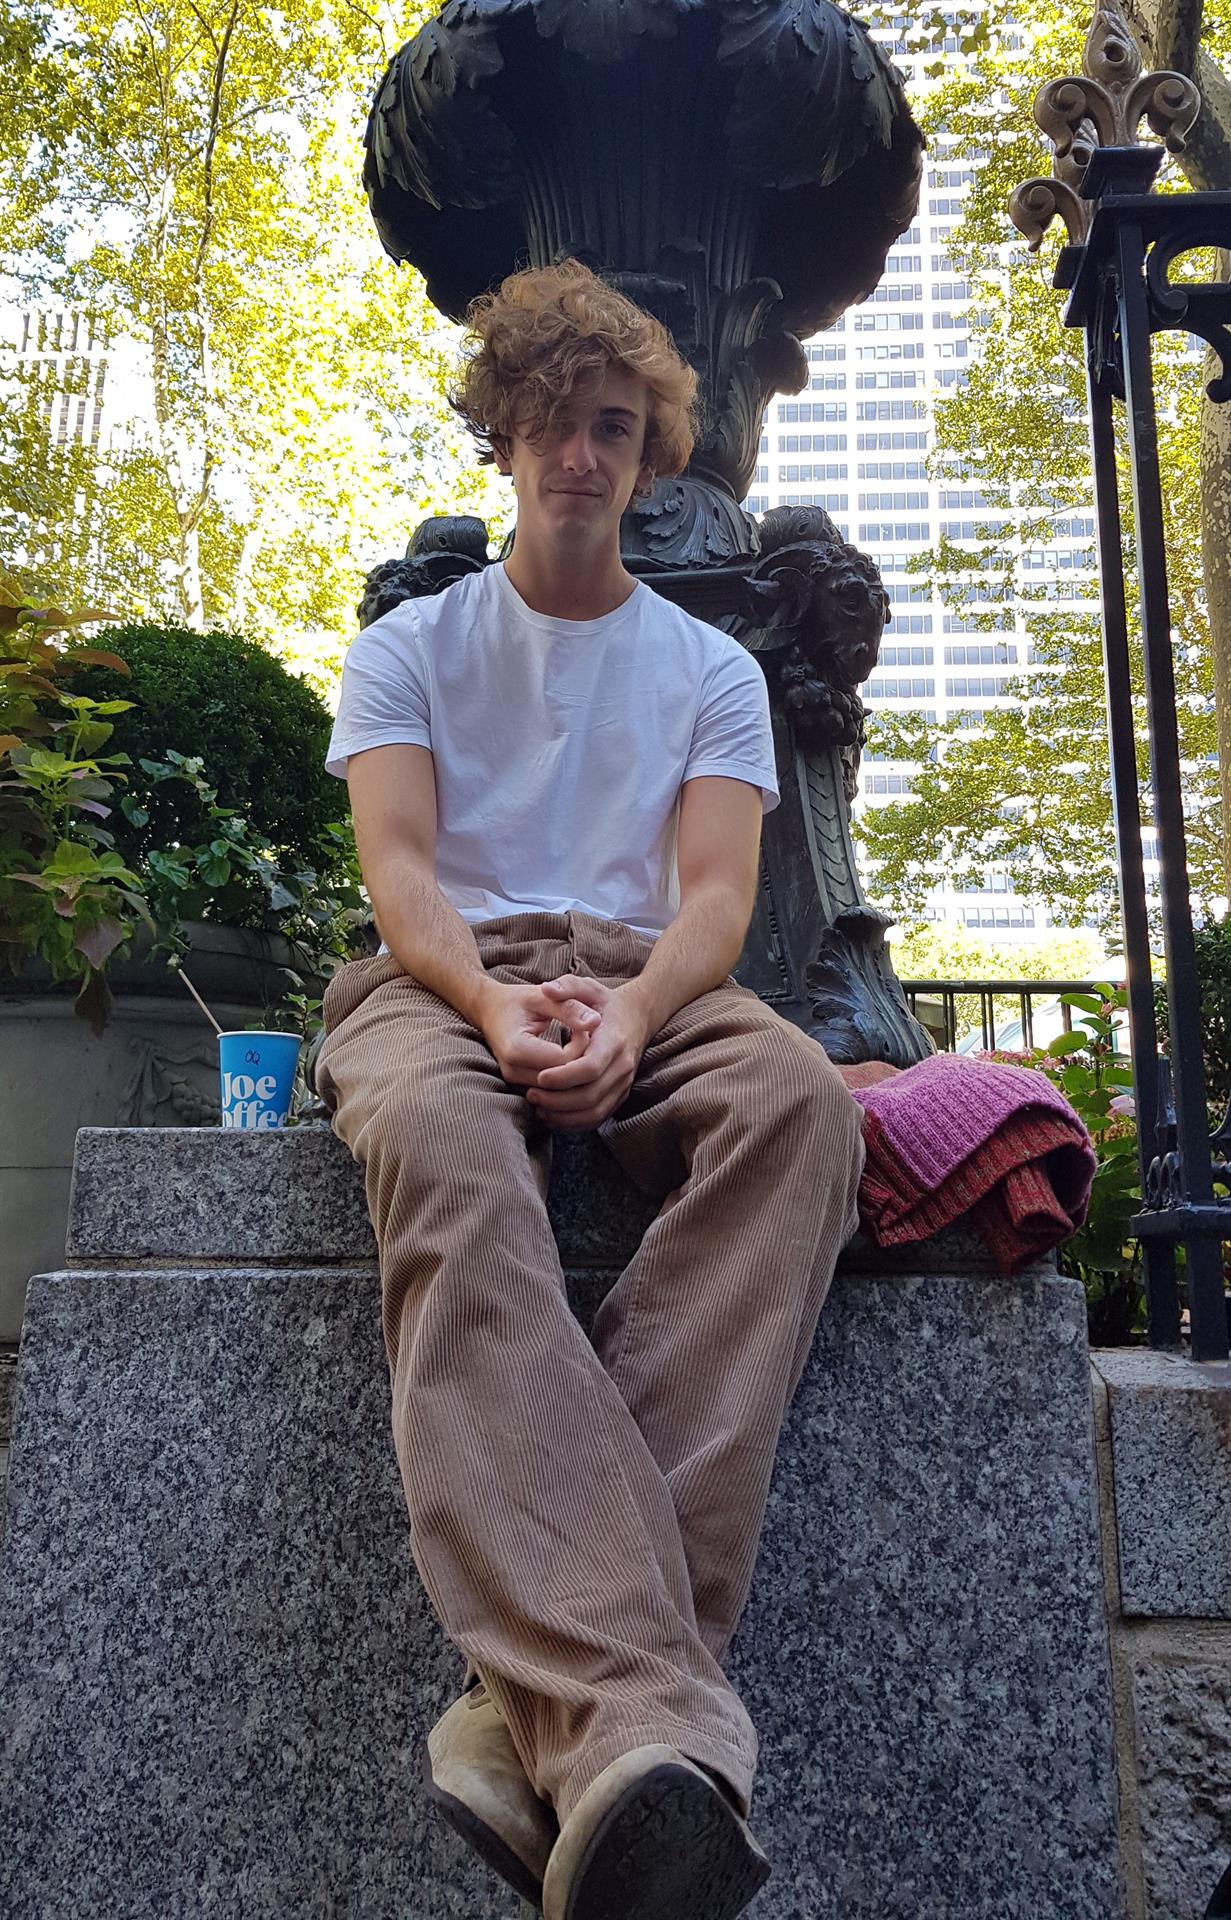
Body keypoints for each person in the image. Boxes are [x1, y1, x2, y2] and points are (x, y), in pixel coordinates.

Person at [315, 259, 865, 1920]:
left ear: (648, 456)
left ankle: (529, 1714)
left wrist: (631, 1011)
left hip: (642, 969)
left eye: (612, 429)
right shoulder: (411, 646)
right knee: (434, 1143)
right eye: (553, 423)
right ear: (505, 438)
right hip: (439, 973)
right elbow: (401, 875)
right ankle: (641, 1726)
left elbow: (715, 902)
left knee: (802, 1110)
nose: (581, 454)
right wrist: (486, 1000)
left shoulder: (705, 673)